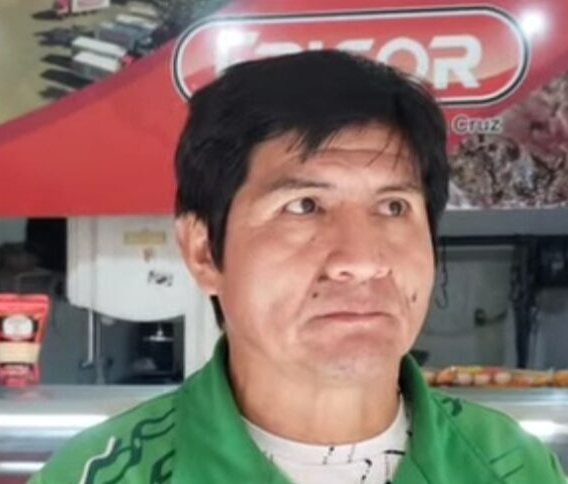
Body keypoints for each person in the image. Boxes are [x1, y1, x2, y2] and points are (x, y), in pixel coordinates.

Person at [29, 50, 566, 484]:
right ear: (203, 250)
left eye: (393, 207)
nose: (361, 261)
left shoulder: (513, 467)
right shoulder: (98, 477)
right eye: (304, 205)